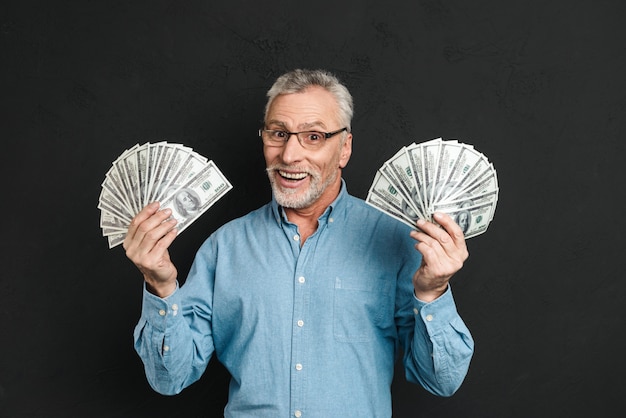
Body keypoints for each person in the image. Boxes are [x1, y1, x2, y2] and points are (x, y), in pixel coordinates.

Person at [124, 69, 474, 417]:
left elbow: (442, 381)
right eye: (278, 133)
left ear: (344, 148)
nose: (289, 155)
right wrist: (161, 286)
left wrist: (433, 292)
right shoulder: (223, 249)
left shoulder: (395, 241)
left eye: (313, 136)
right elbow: (170, 378)